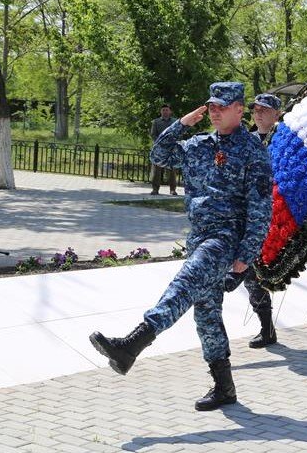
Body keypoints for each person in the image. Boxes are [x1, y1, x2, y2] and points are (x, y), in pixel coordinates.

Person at [89, 82, 273, 411]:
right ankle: (224, 387)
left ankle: (132, 345)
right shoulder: (199, 144)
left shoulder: (252, 151)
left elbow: (261, 208)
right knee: (206, 314)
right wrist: (182, 123)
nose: (214, 111)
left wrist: (247, 254)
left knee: (185, 282)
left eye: (222, 106)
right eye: (211, 106)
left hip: (226, 237)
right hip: (200, 235)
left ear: (239, 110)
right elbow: (159, 155)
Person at [242, 93, 282, 348]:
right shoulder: (245, 140)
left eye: (264, 110)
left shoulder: (285, 141)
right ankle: (266, 328)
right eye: (255, 109)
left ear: (276, 114)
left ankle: (267, 329)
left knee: (262, 271)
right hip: (247, 217)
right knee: (249, 274)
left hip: (275, 218)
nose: (258, 113)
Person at [149, 104, 178, 195]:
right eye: (163, 110)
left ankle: (172, 189)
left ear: (170, 111)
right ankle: (155, 189)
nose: (165, 111)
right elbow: (153, 135)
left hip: (171, 148)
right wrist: (160, 143)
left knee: (172, 170)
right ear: (160, 112)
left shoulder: (175, 121)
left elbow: (178, 133)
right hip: (159, 149)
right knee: (156, 170)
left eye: (166, 110)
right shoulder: (156, 122)